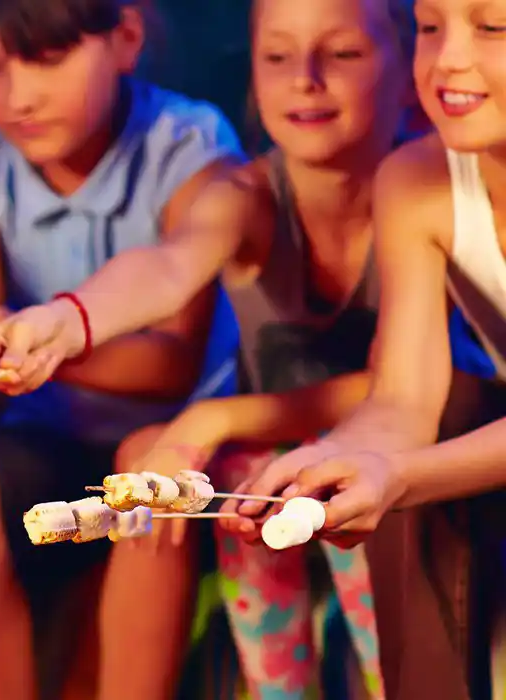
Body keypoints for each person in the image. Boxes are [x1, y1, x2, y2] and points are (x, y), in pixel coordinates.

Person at [0, 0, 415, 696]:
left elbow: (400, 388)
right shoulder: (246, 193)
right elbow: (170, 267)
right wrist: (66, 320)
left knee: (334, 475)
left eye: (344, 55)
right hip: (272, 464)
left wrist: (210, 420)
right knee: (230, 485)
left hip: (400, 455)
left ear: (408, 63)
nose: (306, 80)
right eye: (278, 57)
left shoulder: (425, 190)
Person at [0, 1, 242, 698]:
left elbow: (171, 367)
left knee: (143, 466)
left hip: (179, 432)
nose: (18, 96)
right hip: (48, 436)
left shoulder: (188, 145)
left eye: (47, 59)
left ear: (125, 39)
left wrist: (34, 343)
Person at [184, 0, 506, 693]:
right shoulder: (418, 181)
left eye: (492, 27)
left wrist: (398, 474)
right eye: (429, 26)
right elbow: (404, 396)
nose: (448, 57)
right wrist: (327, 461)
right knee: (394, 450)